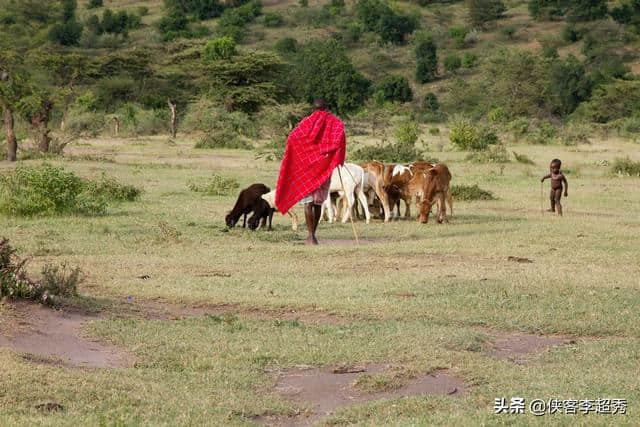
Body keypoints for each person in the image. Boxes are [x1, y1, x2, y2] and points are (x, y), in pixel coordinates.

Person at [275, 99, 346, 244]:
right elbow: (340, 140)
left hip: (306, 170)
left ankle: (310, 236)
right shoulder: (335, 123)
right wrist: (336, 158)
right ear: (326, 108)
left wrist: (300, 157)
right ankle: (314, 234)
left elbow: (292, 139)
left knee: (308, 203)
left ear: (313, 108)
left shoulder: (306, 122)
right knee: (318, 203)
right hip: (324, 169)